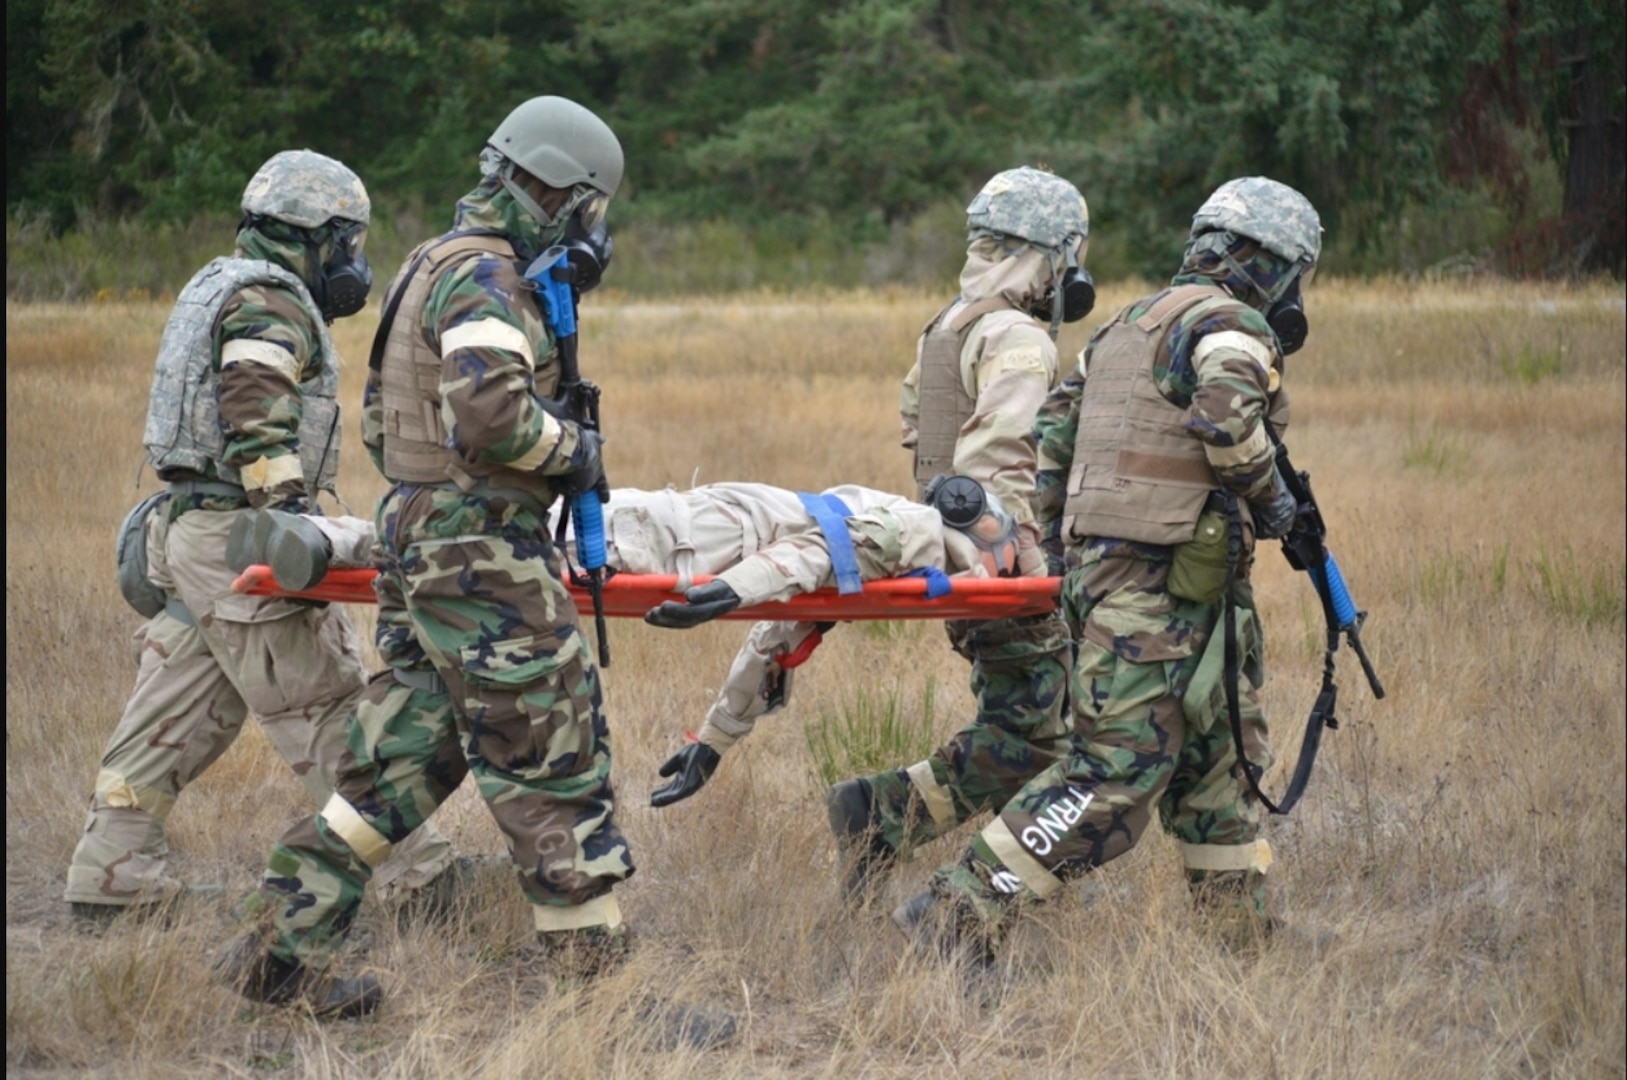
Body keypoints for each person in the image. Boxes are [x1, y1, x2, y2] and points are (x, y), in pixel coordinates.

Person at [217, 96, 639, 1018]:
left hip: (425, 531)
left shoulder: (435, 261)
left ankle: (279, 948)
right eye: (591, 207)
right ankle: (600, 998)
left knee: (403, 760)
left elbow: (385, 420)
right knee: (549, 753)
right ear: (560, 193)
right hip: (480, 550)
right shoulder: (487, 276)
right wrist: (575, 450)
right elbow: (492, 420)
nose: (593, 229)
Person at [893, 176, 1322, 961]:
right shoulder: (1231, 324)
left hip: (1156, 590)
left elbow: (1054, 434)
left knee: (1217, 763)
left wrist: (1069, 557)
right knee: (1113, 775)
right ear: (1270, 264)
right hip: (1157, 595)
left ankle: (1238, 937)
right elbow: (1227, 420)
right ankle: (960, 907)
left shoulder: (1125, 326)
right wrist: (1274, 502)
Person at [65, 150, 454, 924]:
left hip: (192, 532)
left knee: (171, 713)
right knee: (327, 702)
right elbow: (253, 395)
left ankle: (113, 874)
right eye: (348, 242)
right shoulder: (270, 300)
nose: (353, 262)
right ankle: (419, 879)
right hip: (240, 537)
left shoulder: (221, 282)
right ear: (318, 237)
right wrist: (289, 517)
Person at [226, 476, 1026, 809]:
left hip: (680, 532)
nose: (1006, 554)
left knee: (469, 549)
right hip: (669, 542)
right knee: (481, 550)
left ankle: (322, 537)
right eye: (1006, 540)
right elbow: (816, 555)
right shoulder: (922, 530)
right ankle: (326, 537)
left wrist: (711, 744)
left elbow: (774, 639)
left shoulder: (901, 544)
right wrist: (725, 591)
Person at [819, 166, 1096, 899]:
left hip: (948, 557)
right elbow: (996, 458)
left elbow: (920, 434)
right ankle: (884, 817)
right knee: (1039, 739)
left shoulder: (946, 327)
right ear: (1051, 253)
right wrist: (1020, 564)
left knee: (1026, 725)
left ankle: (918, 835)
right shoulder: (1017, 336)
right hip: (997, 569)